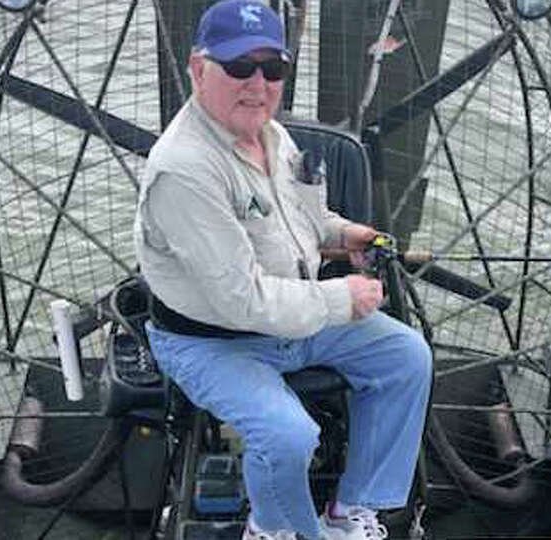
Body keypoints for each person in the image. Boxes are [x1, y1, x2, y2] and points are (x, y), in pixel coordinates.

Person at [134, 1, 432, 538]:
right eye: (239, 67)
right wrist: (344, 298)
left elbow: (307, 219)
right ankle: (272, 528)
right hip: (213, 341)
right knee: (288, 434)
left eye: (273, 69)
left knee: (406, 358)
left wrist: (347, 237)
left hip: (293, 318)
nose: (258, 83)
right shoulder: (183, 170)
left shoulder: (271, 134)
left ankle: (350, 511)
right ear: (198, 69)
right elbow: (240, 301)